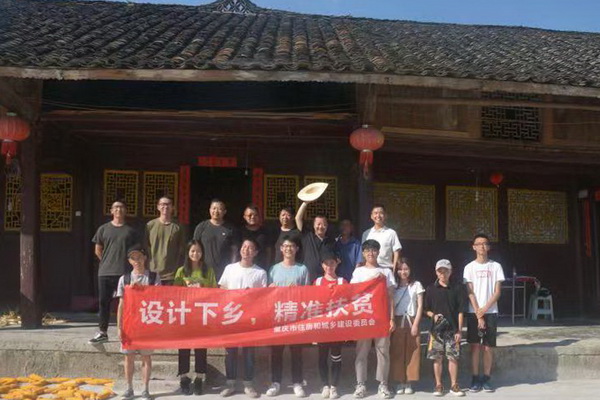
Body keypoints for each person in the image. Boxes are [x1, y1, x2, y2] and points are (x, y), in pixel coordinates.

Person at [218, 239, 268, 398]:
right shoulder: (229, 268)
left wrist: (250, 295)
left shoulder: (260, 273)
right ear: (240, 250)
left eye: (250, 248)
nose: (246, 250)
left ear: (256, 252)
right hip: (231, 316)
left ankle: (248, 384)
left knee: (249, 353)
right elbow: (222, 289)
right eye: (244, 246)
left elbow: (263, 297)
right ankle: (230, 383)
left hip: (250, 319)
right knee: (230, 352)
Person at [350, 239, 396, 399]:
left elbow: (391, 297)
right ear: (363, 253)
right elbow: (353, 294)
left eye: (374, 250)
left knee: (383, 352)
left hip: (382, 317)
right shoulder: (358, 272)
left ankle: (383, 384)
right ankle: (360, 384)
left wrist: (392, 319)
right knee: (361, 352)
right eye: (367, 250)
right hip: (364, 317)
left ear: (378, 252)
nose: (371, 253)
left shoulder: (386, 272)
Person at [266, 235, 311, 398]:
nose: (288, 249)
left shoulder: (302, 269)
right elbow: (266, 295)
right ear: (281, 249)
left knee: (296, 351)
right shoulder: (273, 269)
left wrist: (298, 290)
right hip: (278, 316)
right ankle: (275, 382)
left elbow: (308, 294)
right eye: (285, 246)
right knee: (276, 352)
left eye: (291, 246)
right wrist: (270, 289)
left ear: (296, 249)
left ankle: (297, 383)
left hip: (296, 316)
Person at [90, 200, 139, 344]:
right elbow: (98, 250)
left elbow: (135, 252)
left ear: (125, 211)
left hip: (124, 272)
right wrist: (107, 261)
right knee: (104, 303)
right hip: (105, 272)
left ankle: (128, 332)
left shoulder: (131, 231)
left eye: (122, 207)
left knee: (127, 304)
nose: (119, 209)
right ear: (111, 211)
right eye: (116, 207)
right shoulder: (103, 229)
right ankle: (103, 332)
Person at [116, 246, 161, 400]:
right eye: (133, 258)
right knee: (128, 357)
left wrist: (142, 290)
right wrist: (119, 327)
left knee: (146, 357)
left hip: (147, 323)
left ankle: (145, 389)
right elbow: (121, 305)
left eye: (140, 257)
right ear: (129, 261)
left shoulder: (154, 277)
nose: (137, 261)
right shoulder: (124, 279)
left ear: (145, 258)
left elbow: (158, 298)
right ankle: (129, 388)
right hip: (129, 324)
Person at [173, 240, 217, 395]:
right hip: (185, 316)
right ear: (188, 253)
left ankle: (199, 378)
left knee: (201, 348)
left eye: (198, 251)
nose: (195, 254)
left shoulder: (208, 270)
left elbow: (215, 292)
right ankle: (184, 378)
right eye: (192, 251)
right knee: (183, 348)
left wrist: (202, 289)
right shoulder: (181, 271)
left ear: (202, 253)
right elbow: (175, 293)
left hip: (201, 316)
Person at [463, 234, 505, 393]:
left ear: (488, 247)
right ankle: (475, 378)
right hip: (474, 311)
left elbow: (497, 292)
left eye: (484, 243)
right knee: (475, 347)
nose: (481, 246)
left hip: (491, 311)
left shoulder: (496, 266)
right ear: (473, 247)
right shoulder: (469, 267)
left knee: (487, 347)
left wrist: (485, 309)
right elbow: (470, 292)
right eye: (478, 243)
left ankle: (486, 378)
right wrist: (478, 313)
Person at [424, 259, 465, 397]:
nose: (443, 274)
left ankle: (454, 385)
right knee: (437, 358)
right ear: (436, 272)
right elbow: (425, 309)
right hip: (436, 331)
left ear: (450, 272)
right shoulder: (430, 289)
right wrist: (433, 315)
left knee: (453, 358)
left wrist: (459, 330)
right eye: (440, 271)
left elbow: (461, 311)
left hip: (452, 330)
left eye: (445, 271)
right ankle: (438, 385)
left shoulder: (457, 288)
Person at [314, 251, 347, 400]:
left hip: (337, 327)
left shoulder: (342, 281)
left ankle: (334, 386)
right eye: (326, 264)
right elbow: (311, 304)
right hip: (322, 327)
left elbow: (349, 304)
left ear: (337, 264)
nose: (329, 266)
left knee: (336, 357)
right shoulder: (317, 282)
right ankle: (324, 385)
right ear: (322, 265)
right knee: (322, 357)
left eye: (332, 263)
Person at [389, 258, 424, 395]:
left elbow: (420, 306)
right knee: (397, 351)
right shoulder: (394, 286)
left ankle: (409, 381)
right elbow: (391, 304)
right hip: (397, 320)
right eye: (400, 269)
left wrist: (416, 324)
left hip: (412, 319)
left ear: (410, 270)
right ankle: (399, 381)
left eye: (406, 269)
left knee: (412, 351)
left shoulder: (416, 285)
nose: (403, 272)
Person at [193, 199, 239, 280]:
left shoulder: (230, 229)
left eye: (219, 209)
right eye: (214, 208)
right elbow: (194, 248)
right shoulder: (202, 227)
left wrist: (232, 268)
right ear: (209, 210)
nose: (216, 211)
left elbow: (234, 251)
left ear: (224, 212)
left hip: (224, 271)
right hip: (204, 270)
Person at [145, 196, 185, 285]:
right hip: (153, 271)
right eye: (162, 204)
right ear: (158, 207)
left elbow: (182, 249)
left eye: (168, 204)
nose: (165, 207)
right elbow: (145, 247)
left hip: (172, 274)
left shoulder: (178, 227)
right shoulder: (150, 225)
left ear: (173, 207)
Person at [295, 201, 336, 280]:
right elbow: (298, 218)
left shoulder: (331, 241)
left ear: (327, 226)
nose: (321, 227)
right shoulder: (307, 236)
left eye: (324, 224)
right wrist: (305, 203)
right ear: (314, 225)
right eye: (318, 224)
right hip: (307, 278)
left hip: (325, 279)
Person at [361, 205, 402, 270]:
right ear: (371, 216)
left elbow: (396, 252)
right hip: (370, 269)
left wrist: (394, 270)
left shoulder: (391, 233)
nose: (378, 216)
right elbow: (363, 252)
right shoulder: (366, 234)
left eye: (381, 213)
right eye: (375, 213)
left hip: (386, 268)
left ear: (385, 216)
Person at [240, 204, 272, 270]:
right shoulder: (239, 232)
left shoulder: (265, 232)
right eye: (250, 215)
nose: (253, 217)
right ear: (244, 217)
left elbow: (269, 251)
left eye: (256, 215)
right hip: (243, 268)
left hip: (261, 268)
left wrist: (268, 266)